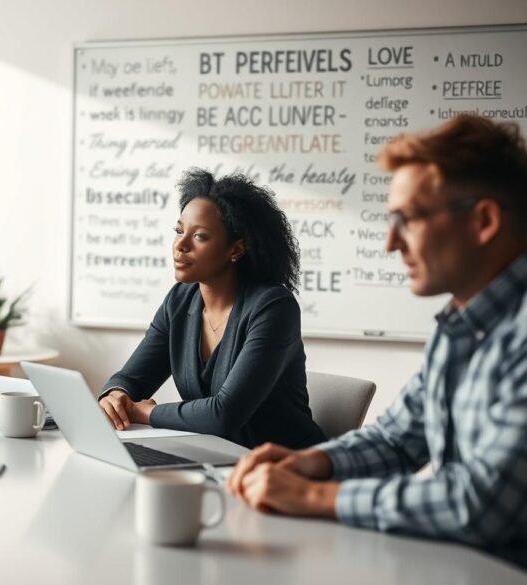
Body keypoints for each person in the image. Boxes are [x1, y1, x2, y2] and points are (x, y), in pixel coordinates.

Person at [228, 114, 527, 567]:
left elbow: (480, 505)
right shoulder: (461, 326)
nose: (390, 243)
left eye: (407, 219)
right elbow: (397, 441)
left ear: (484, 221)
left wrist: (314, 495)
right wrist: (312, 464)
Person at [98, 169, 326, 449]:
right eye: (179, 231)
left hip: (282, 470)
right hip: (212, 458)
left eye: (200, 237)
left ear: (236, 249)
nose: (180, 246)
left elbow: (224, 414)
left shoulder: (273, 307)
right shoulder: (180, 300)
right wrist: (116, 396)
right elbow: (132, 378)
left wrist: (144, 412)